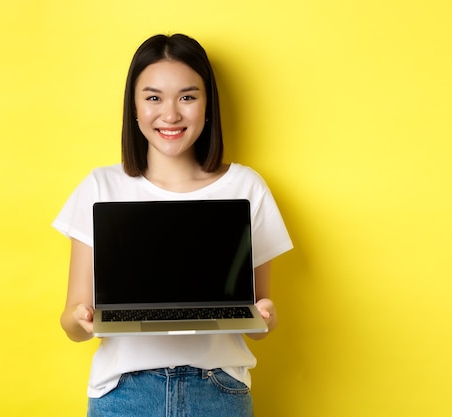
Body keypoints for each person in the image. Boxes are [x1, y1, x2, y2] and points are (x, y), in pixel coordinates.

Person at [53, 33, 292, 417]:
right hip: (124, 393)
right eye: (153, 97)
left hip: (219, 392)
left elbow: (257, 324)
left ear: (207, 104)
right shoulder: (101, 186)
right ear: (134, 106)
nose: (170, 114)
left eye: (187, 96)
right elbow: (71, 322)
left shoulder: (247, 187)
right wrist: (83, 320)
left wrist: (266, 317)